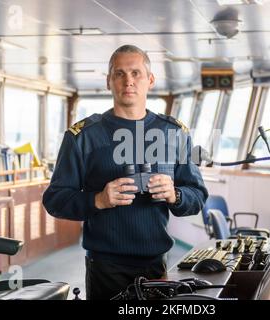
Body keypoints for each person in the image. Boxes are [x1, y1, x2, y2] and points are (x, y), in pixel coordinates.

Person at [42, 44, 208, 300]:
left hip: (156, 264)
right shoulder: (83, 136)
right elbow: (55, 200)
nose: (128, 81)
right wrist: (98, 199)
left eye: (136, 73)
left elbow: (197, 196)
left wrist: (174, 194)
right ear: (109, 81)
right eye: (119, 74)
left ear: (150, 80)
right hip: (105, 267)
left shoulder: (174, 133)